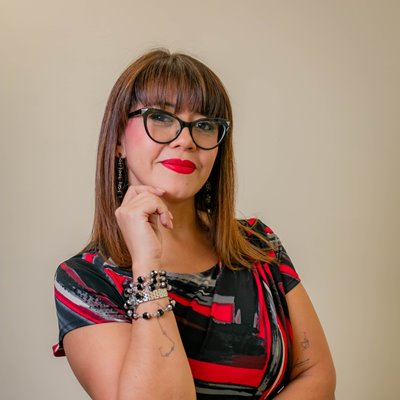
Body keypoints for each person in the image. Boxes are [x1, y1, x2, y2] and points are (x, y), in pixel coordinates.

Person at [53, 49, 336, 399]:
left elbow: (317, 376)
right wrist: (147, 266)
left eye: (204, 125)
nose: (185, 140)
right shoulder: (85, 281)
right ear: (118, 141)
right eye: (160, 117)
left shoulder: (259, 245)